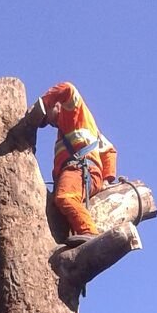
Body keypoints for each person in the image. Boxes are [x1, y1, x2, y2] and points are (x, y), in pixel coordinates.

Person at [35, 82, 118, 243]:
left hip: (80, 170)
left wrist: (43, 103)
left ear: (56, 104)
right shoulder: (69, 129)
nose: (49, 122)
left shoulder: (73, 113)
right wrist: (106, 179)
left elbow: (67, 88)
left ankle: (89, 233)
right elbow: (109, 151)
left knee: (65, 197)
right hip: (80, 172)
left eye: (47, 116)